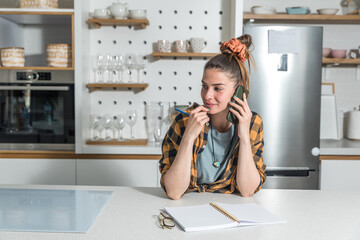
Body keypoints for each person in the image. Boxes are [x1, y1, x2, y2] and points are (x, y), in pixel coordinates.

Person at [159, 34, 266, 200]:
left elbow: (247, 190)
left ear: (238, 90)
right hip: (191, 209)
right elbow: (173, 192)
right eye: (204, 86)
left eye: (218, 88)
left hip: (234, 211)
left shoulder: (252, 123)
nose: (207, 95)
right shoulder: (184, 121)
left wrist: (244, 136)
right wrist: (188, 137)